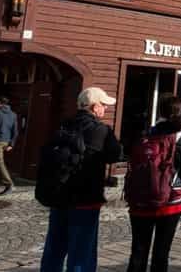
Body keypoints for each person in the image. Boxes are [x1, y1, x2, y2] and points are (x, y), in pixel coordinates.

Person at [40, 87, 122, 272]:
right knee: (81, 253)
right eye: (103, 105)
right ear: (94, 107)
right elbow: (116, 155)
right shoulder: (101, 130)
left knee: (54, 249)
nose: (105, 109)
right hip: (86, 198)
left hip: (59, 195)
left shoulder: (64, 125)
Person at [126, 96, 181, 272]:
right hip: (171, 201)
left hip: (141, 199)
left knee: (138, 251)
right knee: (161, 252)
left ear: (160, 112)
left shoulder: (146, 133)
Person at [0, 97, 18, 195]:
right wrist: (11, 144)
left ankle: (9, 184)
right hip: (5, 141)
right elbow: (15, 131)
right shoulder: (13, 114)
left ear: (0, 103)